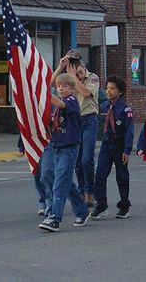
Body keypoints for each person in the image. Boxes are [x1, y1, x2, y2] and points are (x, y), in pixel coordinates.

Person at [38, 73, 90, 232]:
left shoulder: (72, 102)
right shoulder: (56, 105)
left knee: (61, 180)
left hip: (69, 146)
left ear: (72, 89)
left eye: (65, 86)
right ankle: (81, 209)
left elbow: (61, 105)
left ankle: (54, 217)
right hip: (55, 144)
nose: (61, 88)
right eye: (59, 86)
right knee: (48, 174)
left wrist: (42, 91)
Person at [51, 50, 100, 207]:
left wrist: (73, 77)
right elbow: (52, 83)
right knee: (78, 161)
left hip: (89, 119)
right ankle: (82, 191)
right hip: (75, 122)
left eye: (77, 69)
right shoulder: (68, 77)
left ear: (82, 65)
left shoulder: (92, 77)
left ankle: (89, 192)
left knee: (87, 159)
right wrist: (60, 68)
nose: (76, 73)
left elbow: (85, 93)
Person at [91, 75, 134, 219]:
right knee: (100, 174)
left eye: (112, 88)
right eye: (107, 88)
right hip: (106, 144)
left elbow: (129, 131)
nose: (108, 91)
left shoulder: (125, 109)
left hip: (120, 144)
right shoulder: (104, 106)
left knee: (122, 176)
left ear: (120, 91)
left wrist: (127, 150)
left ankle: (124, 206)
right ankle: (101, 204)